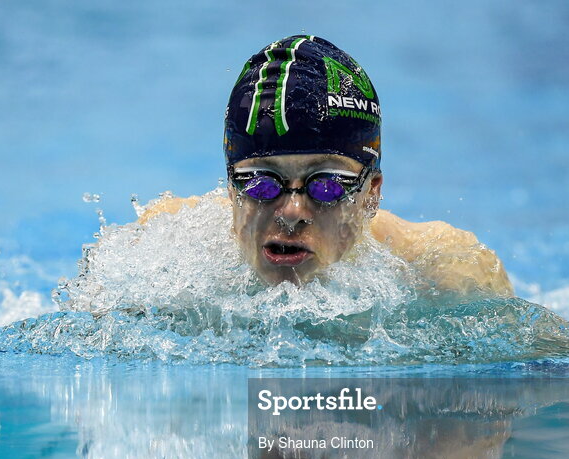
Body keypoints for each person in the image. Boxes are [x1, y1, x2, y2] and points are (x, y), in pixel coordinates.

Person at [140, 35, 514, 298]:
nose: (291, 212)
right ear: (229, 190)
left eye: (327, 185)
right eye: (261, 182)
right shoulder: (156, 254)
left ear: (372, 194)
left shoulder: (448, 272)